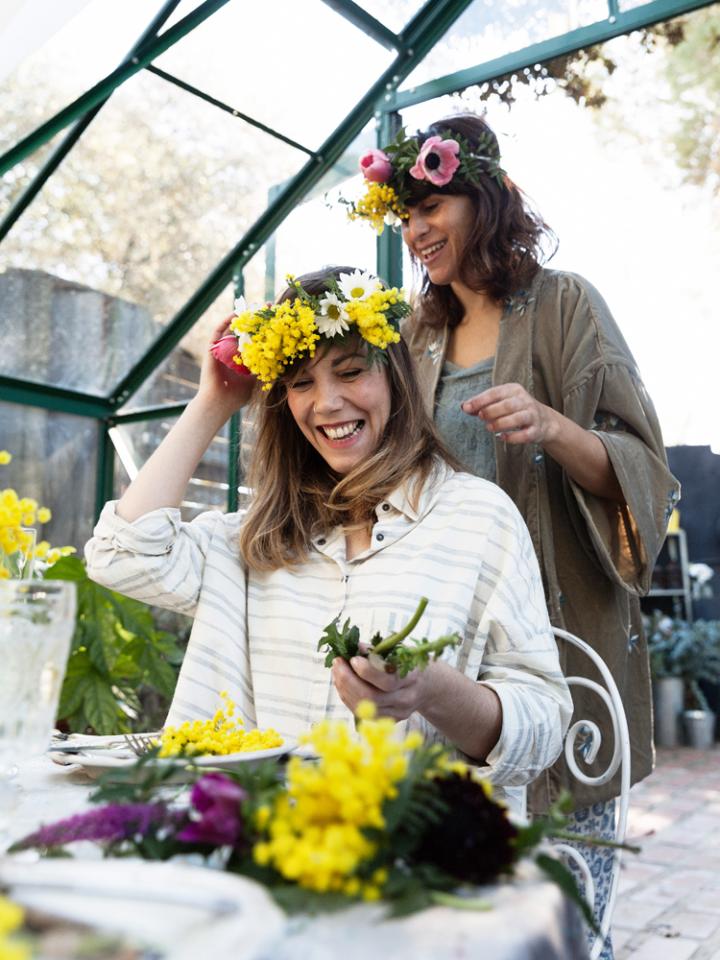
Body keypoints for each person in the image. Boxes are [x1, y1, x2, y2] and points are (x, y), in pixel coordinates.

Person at [350, 115, 679, 954]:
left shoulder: (565, 303)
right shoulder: (414, 338)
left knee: (564, 920)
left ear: (485, 198)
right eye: (406, 217)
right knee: (457, 916)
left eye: (433, 206)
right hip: (447, 663)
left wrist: (551, 426)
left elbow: (645, 469)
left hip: (563, 652)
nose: (417, 232)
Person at [85, 266, 572, 814]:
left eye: (350, 371)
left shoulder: (478, 518)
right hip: (250, 853)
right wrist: (214, 403)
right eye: (300, 382)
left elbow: (543, 730)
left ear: (396, 378)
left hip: (411, 864)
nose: (327, 403)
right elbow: (120, 557)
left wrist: (432, 690)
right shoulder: (255, 539)